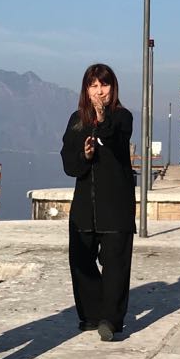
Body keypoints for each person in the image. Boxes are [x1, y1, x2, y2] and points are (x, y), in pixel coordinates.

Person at [61, 64, 136, 341]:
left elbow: (116, 142)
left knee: (116, 265)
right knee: (81, 261)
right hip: (84, 206)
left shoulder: (123, 117)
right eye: (93, 85)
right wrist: (84, 155)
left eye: (104, 85)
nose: (99, 90)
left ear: (112, 88)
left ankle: (112, 320)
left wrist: (103, 119)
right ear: (86, 89)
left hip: (115, 204)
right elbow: (69, 163)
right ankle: (91, 314)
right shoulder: (76, 120)